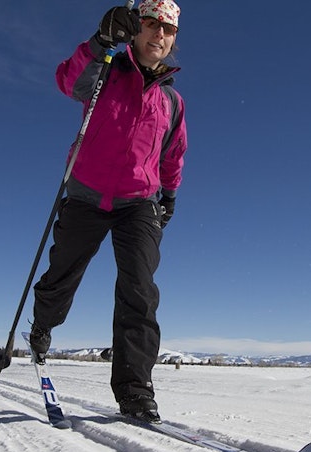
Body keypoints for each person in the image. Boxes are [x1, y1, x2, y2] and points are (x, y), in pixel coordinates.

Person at [29, 0, 186, 424]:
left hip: (139, 203)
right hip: (85, 194)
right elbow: (68, 81)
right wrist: (100, 41)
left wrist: (168, 195)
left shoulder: (172, 102)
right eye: (151, 25)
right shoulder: (106, 69)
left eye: (168, 30)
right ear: (136, 29)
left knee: (140, 291)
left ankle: (136, 392)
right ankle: (42, 327)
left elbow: (173, 154)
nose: (160, 35)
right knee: (63, 273)